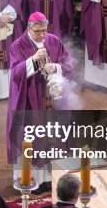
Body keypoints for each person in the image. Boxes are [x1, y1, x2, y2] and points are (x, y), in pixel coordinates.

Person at [6, 12, 72, 192]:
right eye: (37, 32)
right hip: (30, 101)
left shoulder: (53, 41)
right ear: (29, 28)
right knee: (33, 138)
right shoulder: (18, 45)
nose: (42, 35)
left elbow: (68, 64)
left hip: (52, 101)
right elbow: (15, 74)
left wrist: (56, 67)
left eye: (44, 31)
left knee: (53, 137)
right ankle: (33, 178)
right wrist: (33, 61)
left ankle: (51, 177)